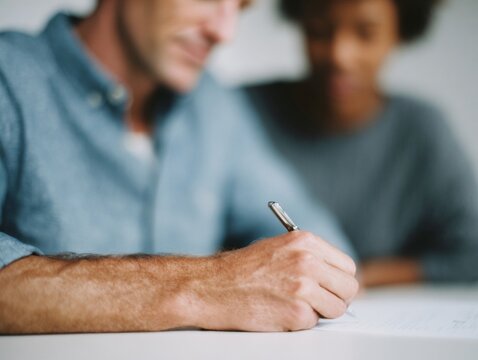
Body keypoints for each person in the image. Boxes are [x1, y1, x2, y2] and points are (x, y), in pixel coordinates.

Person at [0, 0, 359, 333]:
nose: (224, 32)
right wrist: (210, 285)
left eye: (241, 6)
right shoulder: (10, 79)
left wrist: (284, 273)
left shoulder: (212, 105)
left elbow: (322, 246)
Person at [245, 0, 478, 287]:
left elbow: (471, 252)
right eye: (319, 31)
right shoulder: (241, 113)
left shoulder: (422, 130)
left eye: (366, 34)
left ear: (400, 34)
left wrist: (357, 278)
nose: (340, 55)